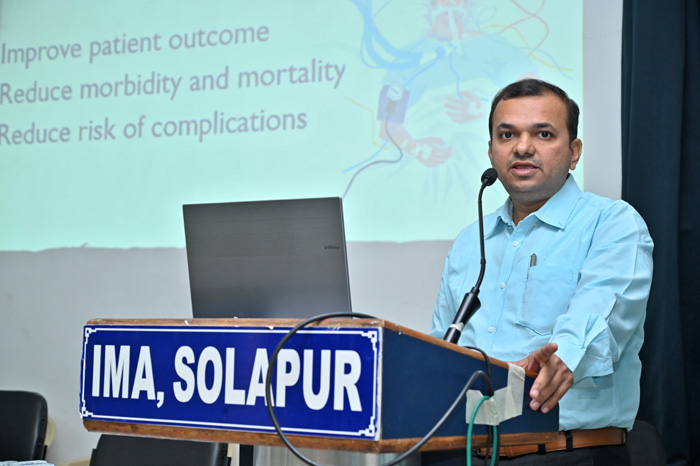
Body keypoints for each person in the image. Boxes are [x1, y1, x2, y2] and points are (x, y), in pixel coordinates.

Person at [429, 79, 653, 465]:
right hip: (463, 454)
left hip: (568, 454)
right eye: (507, 134)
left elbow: (597, 318)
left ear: (574, 152)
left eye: (543, 134)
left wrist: (561, 359)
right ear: (491, 151)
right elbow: (441, 348)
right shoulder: (470, 241)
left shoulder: (612, 224)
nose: (522, 147)